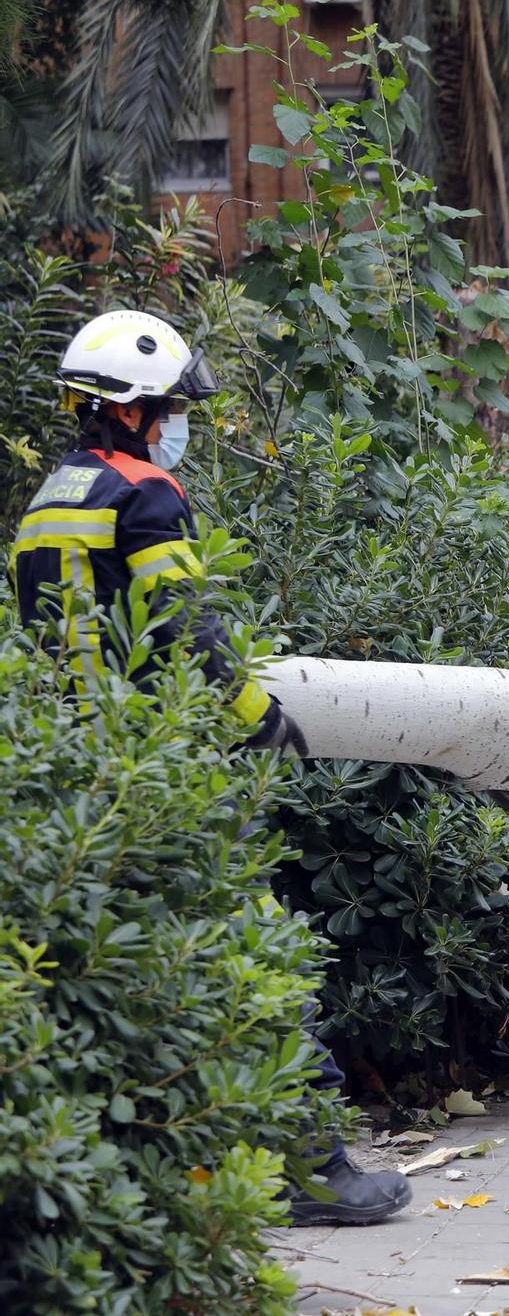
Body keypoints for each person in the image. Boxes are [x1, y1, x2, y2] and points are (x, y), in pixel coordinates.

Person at [12, 309, 409, 1227]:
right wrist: (261, 718)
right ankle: (318, 1174)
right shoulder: (147, 493)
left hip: (67, 779)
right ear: (140, 409)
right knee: (262, 960)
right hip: (159, 776)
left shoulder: (48, 498)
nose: (179, 424)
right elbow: (188, 629)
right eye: (174, 408)